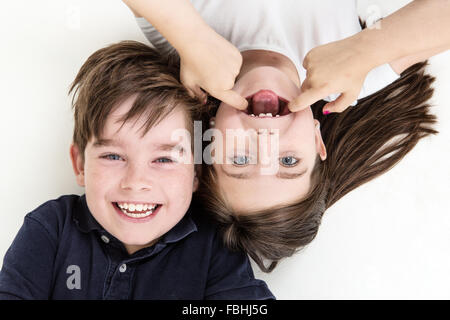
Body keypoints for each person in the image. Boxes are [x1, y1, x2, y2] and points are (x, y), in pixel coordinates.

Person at [123, 0, 449, 272]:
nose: (266, 139)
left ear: (208, 137)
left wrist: (190, 35)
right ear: (317, 141)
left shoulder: (182, 40)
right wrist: (368, 47)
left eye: (240, 159)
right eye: (288, 161)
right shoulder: (358, 74)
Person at [0, 41, 274, 299]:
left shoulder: (213, 246)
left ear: (197, 172)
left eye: (164, 159)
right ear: (80, 164)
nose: (136, 182)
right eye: (113, 156)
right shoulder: (51, 229)